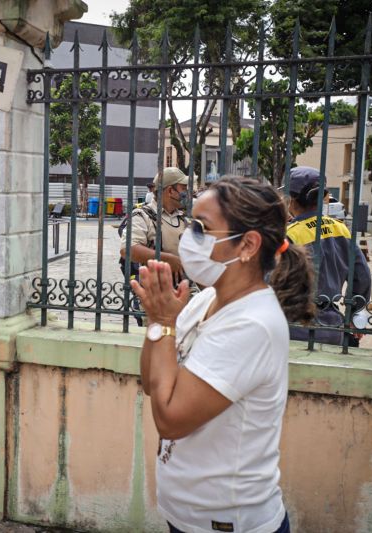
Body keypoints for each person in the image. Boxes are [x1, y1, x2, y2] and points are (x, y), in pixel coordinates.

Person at [131, 177, 314, 533]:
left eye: (202, 228)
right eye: (190, 224)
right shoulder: (204, 299)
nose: (189, 236)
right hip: (188, 518)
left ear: (247, 244)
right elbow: (152, 383)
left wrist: (166, 322)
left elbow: (170, 419)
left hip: (230, 524)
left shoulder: (252, 324)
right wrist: (157, 321)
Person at [285, 166, 371, 346]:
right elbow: (362, 277)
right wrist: (352, 314)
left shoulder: (291, 235)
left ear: (292, 200)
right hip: (333, 327)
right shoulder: (341, 229)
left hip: (295, 328)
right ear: (323, 198)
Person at [120, 167, 189, 282]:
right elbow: (127, 250)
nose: (186, 192)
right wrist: (168, 259)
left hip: (186, 289)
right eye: (183, 188)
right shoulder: (142, 215)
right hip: (155, 290)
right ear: (170, 191)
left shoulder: (183, 217)